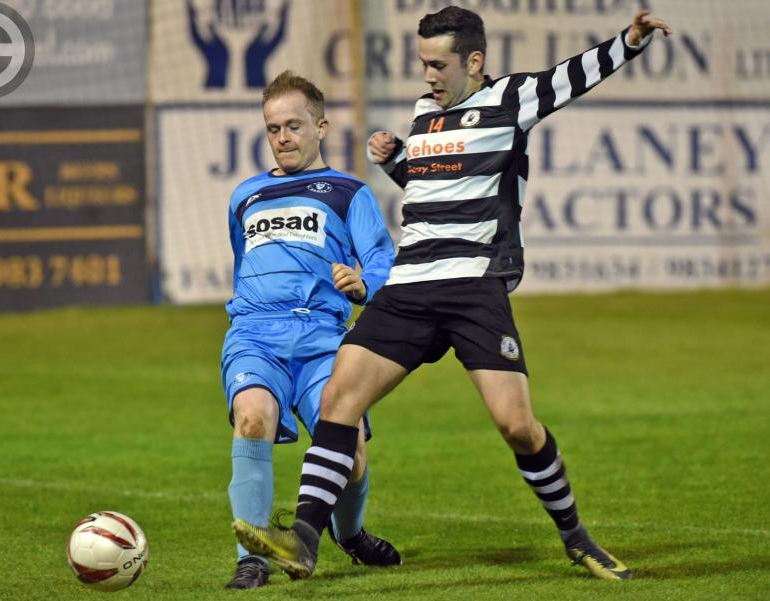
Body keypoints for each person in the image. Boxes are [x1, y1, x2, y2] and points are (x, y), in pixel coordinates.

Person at [233, 7, 673, 582]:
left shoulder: (511, 100)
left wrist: (630, 41)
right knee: (340, 401)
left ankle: (576, 538)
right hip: (410, 286)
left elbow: (573, 75)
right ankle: (304, 540)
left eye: (438, 65)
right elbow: (433, 189)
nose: (428, 76)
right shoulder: (424, 113)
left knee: (517, 426)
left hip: (473, 287)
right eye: (423, 64)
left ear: (474, 61)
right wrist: (397, 161)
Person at [221, 70, 400, 589]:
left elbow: (382, 261)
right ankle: (252, 559)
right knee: (251, 417)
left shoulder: (349, 192)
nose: (282, 138)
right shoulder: (245, 195)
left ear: (321, 127)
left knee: (351, 449)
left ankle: (350, 534)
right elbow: (244, 263)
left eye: (293, 126)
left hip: (324, 339)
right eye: (273, 128)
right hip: (255, 335)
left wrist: (363, 284)